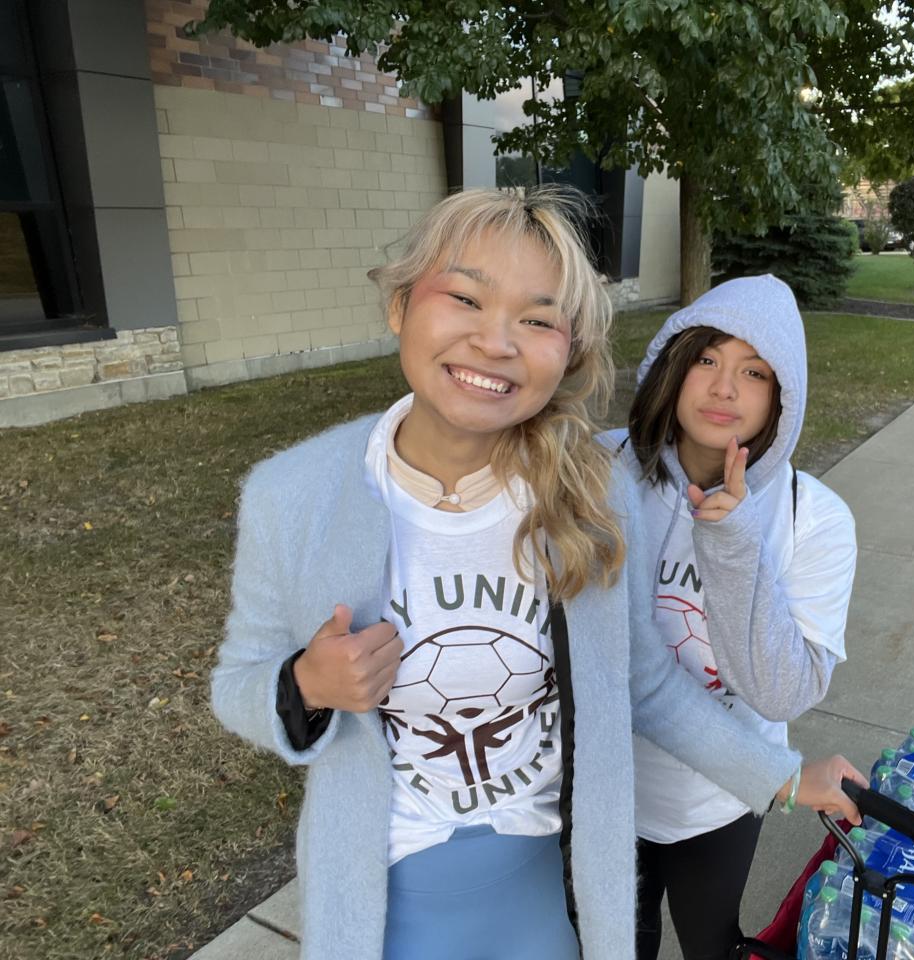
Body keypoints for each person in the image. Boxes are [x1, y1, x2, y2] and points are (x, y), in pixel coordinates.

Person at [210, 189, 862, 960]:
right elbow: (238, 685)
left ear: (569, 353)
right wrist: (304, 686)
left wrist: (785, 776)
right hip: (385, 894)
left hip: (546, 885)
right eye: (465, 298)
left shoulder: (586, 494)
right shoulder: (292, 496)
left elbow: (643, 682)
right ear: (399, 305)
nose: (495, 341)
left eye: (538, 319)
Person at [606, 275, 857, 960]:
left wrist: (731, 542)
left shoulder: (815, 518)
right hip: (606, 790)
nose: (724, 389)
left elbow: (782, 692)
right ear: (672, 365)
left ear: (782, 396)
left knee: (711, 943)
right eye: (707, 359)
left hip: (719, 801)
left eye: (754, 372)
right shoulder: (598, 472)